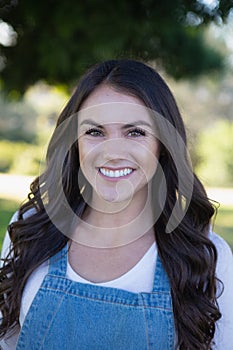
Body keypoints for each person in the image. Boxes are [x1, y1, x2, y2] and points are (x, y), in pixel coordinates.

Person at [0, 59, 233, 350]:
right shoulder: (30, 230)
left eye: (135, 132)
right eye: (95, 132)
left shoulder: (204, 254)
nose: (112, 153)